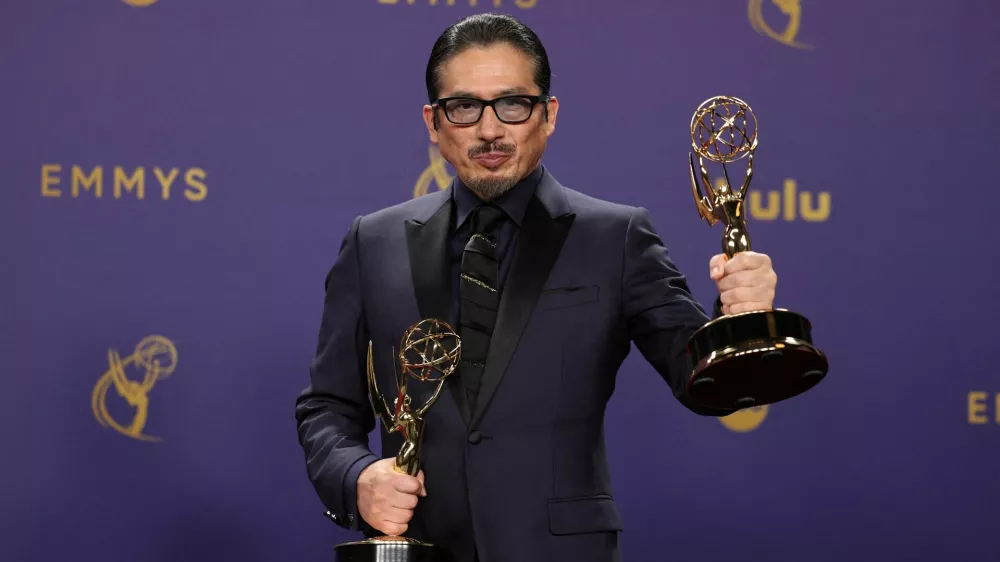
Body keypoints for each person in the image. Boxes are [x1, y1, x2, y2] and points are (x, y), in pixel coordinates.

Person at [295, 12, 779, 562]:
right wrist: (357, 479)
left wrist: (745, 322)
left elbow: (702, 382)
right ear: (434, 122)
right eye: (464, 107)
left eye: (513, 104)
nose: (489, 130)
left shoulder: (615, 237)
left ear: (548, 115)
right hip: (419, 547)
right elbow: (328, 406)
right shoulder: (373, 241)